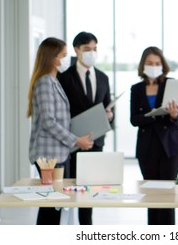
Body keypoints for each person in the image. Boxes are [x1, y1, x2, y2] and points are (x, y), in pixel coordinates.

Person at [27, 37, 93, 225]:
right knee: (51, 207)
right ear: (52, 58)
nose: (66, 60)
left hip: (57, 154)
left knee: (54, 207)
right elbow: (48, 121)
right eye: (63, 56)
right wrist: (76, 141)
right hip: (49, 156)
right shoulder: (45, 83)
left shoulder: (53, 81)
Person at [58, 31, 113, 225]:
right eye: (87, 49)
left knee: (89, 194)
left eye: (95, 49)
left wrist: (109, 116)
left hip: (96, 143)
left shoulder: (103, 77)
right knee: (71, 193)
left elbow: (108, 109)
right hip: (72, 144)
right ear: (76, 50)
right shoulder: (64, 78)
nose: (92, 53)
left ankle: (86, 231)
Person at [130, 46, 178, 225]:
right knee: (151, 199)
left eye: (157, 63)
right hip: (147, 149)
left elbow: (175, 118)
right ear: (143, 65)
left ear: (163, 65)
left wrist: (173, 114)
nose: (154, 66)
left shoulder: (171, 83)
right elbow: (134, 120)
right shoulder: (136, 89)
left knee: (168, 198)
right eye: (150, 63)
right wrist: (156, 114)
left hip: (170, 147)